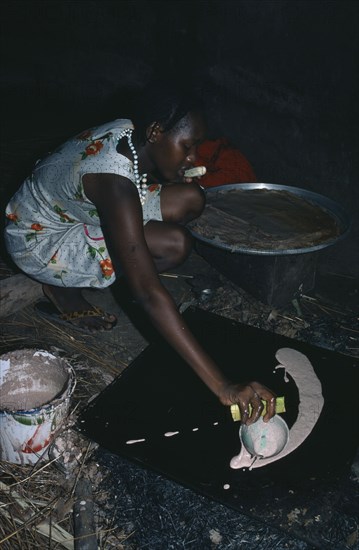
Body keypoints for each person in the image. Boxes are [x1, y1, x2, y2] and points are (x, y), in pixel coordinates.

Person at [4, 82, 276, 425]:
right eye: (188, 146)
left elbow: (136, 176)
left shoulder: (130, 131)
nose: (194, 158)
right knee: (170, 247)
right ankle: (60, 284)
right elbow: (148, 292)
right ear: (155, 132)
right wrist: (222, 385)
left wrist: (170, 173)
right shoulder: (114, 185)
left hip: (73, 211)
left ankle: (96, 272)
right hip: (38, 237)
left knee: (191, 201)